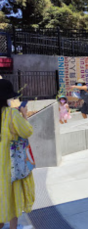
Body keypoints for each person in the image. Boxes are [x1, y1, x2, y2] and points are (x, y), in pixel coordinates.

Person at [0, 79, 35, 229]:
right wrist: (24, 115)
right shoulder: (12, 114)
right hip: (10, 165)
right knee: (12, 196)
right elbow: (27, 131)